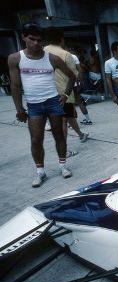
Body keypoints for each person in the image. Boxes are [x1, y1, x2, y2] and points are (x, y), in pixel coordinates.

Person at [8, 23, 75, 187]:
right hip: (34, 105)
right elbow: (15, 86)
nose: (36, 43)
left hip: (53, 102)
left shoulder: (52, 58)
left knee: (59, 134)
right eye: (32, 39)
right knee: (36, 139)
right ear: (24, 37)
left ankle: (63, 166)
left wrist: (65, 95)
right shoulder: (15, 58)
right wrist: (19, 109)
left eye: (39, 40)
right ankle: (40, 172)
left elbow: (72, 76)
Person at [44, 28, 89, 151]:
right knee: (63, 121)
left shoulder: (42, 51)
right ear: (61, 39)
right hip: (64, 93)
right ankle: (64, 151)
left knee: (69, 117)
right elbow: (73, 77)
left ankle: (81, 135)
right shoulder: (65, 54)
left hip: (47, 92)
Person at [71, 51, 92, 125]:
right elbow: (80, 70)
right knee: (79, 102)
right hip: (76, 82)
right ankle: (88, 119)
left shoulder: (60, 56)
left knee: (71, 104)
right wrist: (81, 82)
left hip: (67, 83)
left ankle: (73, 123)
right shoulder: (74, 56)